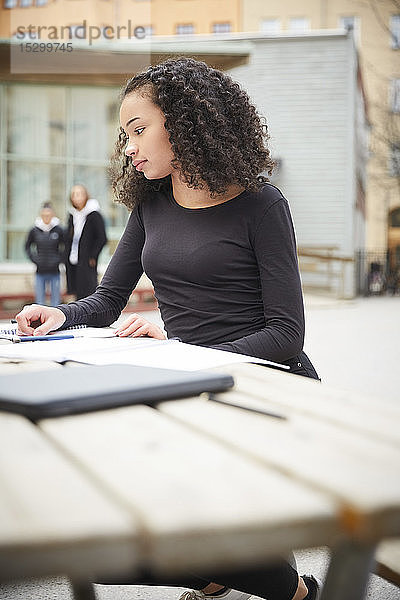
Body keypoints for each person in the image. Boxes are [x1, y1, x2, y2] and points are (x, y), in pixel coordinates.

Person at [16, 58, 321, 600]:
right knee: (104, 549)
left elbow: (285, 334)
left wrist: (186, 351)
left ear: (183, 123)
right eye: (124, 135)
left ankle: (291, 589)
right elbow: (109, 299)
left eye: (138, 130)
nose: (129, 147)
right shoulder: (151, 203)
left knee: (137, 539)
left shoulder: (261, 204)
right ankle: (222, 568)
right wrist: (62, 314)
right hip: (187, 382)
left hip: (265, 384)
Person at [65, 184, 107, 299]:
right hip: (73, 259)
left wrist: (92, 256)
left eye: (79, 194)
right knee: (77, 292)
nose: (76, 197)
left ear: (86, 196)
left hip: (87, 260)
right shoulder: (72, 215)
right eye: (74, 194)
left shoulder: (94, 214)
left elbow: (102, 238)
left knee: (89, 292)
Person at [25, 202, 65, 306]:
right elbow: (27, 246)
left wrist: (58, 259)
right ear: (41, 215)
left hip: (55, 271)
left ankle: (56, 322)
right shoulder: (34, 230)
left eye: (49, 215)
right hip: (40, 272)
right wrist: (35, 259)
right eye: (44, 215)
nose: (46, 217)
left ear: (52, 215)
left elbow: (66, 247)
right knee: (39, 302)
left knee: (56, 302)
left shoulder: (59, 230)